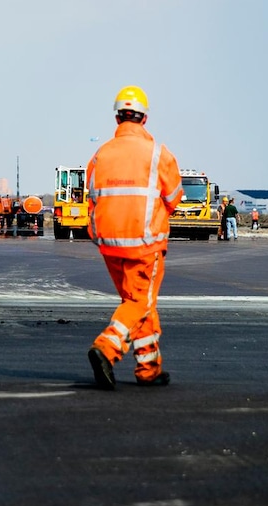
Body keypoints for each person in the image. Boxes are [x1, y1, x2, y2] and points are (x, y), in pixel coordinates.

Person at [85, 85, 182, 390]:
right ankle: (107, 348)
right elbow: (174, 197)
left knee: (137, 302)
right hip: (144, 242)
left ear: (118, 118)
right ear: (144, 119)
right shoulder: (157, 154)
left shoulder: (100, 155)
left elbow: (92, 198)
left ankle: (148, 369)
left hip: (109, 244)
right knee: (140, 301)